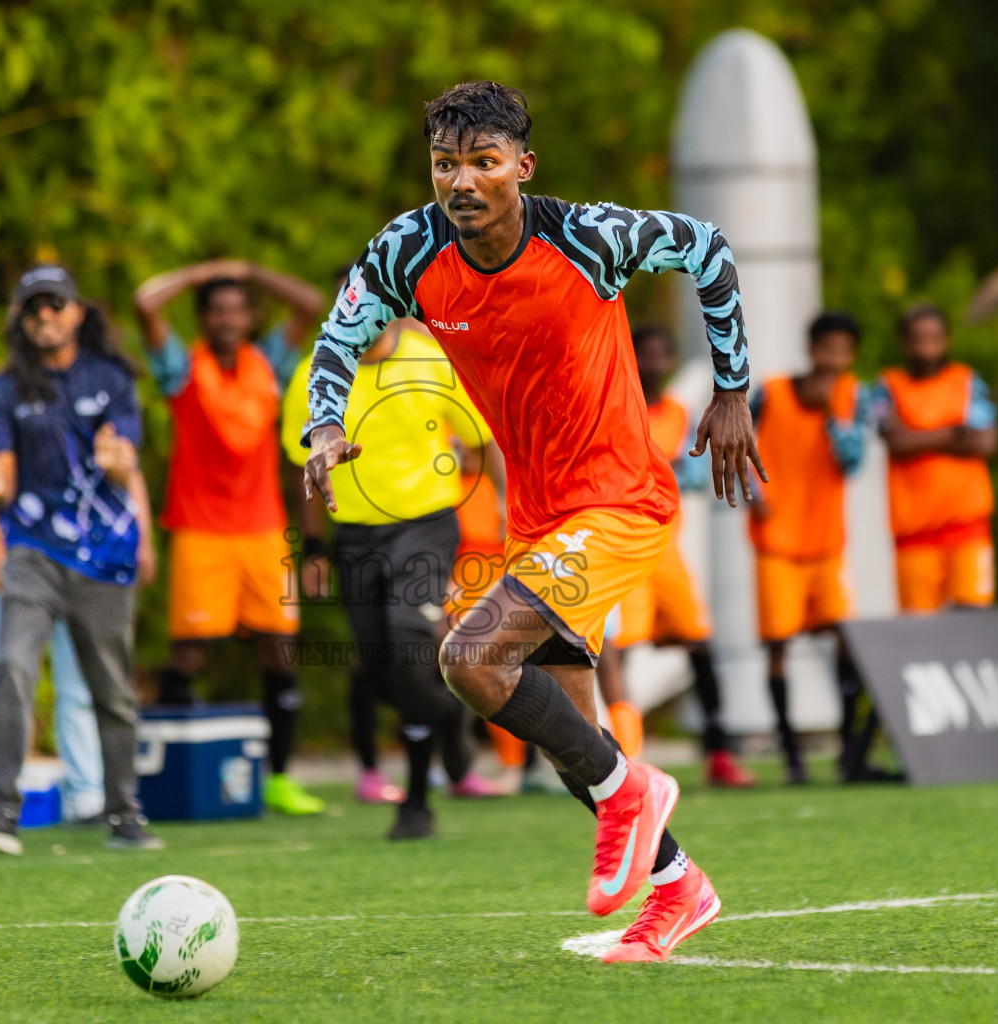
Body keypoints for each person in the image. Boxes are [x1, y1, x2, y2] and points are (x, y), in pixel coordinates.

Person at [300, 82, 764, 963]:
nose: (462, 182)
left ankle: (636, 791)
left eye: (483, 161)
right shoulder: (411, 247)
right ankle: (678, 890)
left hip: (620, 500)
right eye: (446, 164)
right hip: (539, 519)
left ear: (523, 165)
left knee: (469, 657)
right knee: (570, 742)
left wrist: (733, 389)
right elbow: (336, 336)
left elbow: (708, 248)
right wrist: (325, 422)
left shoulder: (588, 237)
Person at [0, 264, 160, 855]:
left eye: (55, 305)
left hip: (104, 555)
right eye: (33, 308)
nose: (45, 316)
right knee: (11, 669)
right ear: (21, 321)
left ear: (76, 312)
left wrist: (140, 525)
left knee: (110, 688)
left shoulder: (112, 378)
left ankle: (123, 811)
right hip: (32, 552)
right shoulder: (2, 390)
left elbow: (127, 464)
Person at [284, 311, 503, 839]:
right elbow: (305, 468)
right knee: (378, 666)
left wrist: (506, 516)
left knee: (408, 641)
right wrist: (312, 545)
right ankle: (449, 715)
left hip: (425, 527)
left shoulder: (434, 361)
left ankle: (417, 804)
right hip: (355, 537)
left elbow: (483, 440)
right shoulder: (315, 375)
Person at [133, 259, 326, 816]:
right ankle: (169, 781)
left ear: (248, 318)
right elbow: (147, 302)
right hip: (201, 531)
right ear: (203, 318)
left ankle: (280, 780)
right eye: (217, 310)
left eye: (237, 310)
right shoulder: (179, 368)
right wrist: (202, 273)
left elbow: (310, 304)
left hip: (262, 528)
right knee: (189, 653)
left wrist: (247, 270)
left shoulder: (268, 363)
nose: (227, 319)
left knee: (279, 650)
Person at [615, 325, 755, 787]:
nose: (655, 364)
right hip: (622, 549)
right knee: (618, 649)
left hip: (666, 547)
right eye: (647, 355)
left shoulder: (678, 412)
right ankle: (625, 762)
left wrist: (687, 469)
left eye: (662, 355)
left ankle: (718, 753)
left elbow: (692, 475)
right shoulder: (616, 404)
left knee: (698, 639)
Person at [749, 312, 881, 783]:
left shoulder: (853, 397)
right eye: (827, 348)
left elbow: (853, 460)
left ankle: (848, 751)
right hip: (777, 544)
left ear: (852, 357)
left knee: (847, 642)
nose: (834, 359)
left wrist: (831, 413)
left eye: (843, 351)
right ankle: (792, 758)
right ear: (812, 350)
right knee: (778, 646)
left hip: (826, 544)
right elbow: (740, 440)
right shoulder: (772, 392)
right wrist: (754, 492)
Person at [876, 304, 998, 613]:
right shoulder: (887, 387)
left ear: (946, 340)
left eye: (933, 338)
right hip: (914, 533)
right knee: (921, 631)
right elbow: (896, 440)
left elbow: (985, 441)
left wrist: (919, 435)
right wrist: (954, 432)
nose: (925, 346)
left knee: (974, 619)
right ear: (904, 342)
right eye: (917, 338)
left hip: (967, 527)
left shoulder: (967, 381)